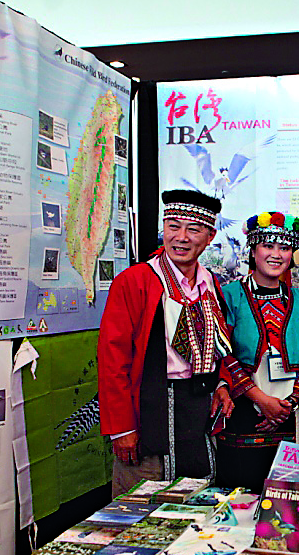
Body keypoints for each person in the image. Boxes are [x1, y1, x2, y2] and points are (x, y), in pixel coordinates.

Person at [98, 189, 230, 496]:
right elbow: (112, 360)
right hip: (151, 411)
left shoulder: (210, 282)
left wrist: (221, 384)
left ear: (209, 236)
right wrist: (122, 428)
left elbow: (217, 345)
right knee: (143, 503)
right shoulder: (134, 282)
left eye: (193, 229)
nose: (181, 237)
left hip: (197, 413)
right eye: (173, 226)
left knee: (198, 500)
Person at [212, 211, 299, 491]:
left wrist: (287, 406)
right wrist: (260, 400)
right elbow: (222, 352)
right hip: (244, 408)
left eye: (285, 247)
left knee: (289, 496)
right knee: (243, 493)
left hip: (290, 412)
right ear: (253, 250)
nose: (276, 254)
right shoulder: (228, 295)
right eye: (268, 246)